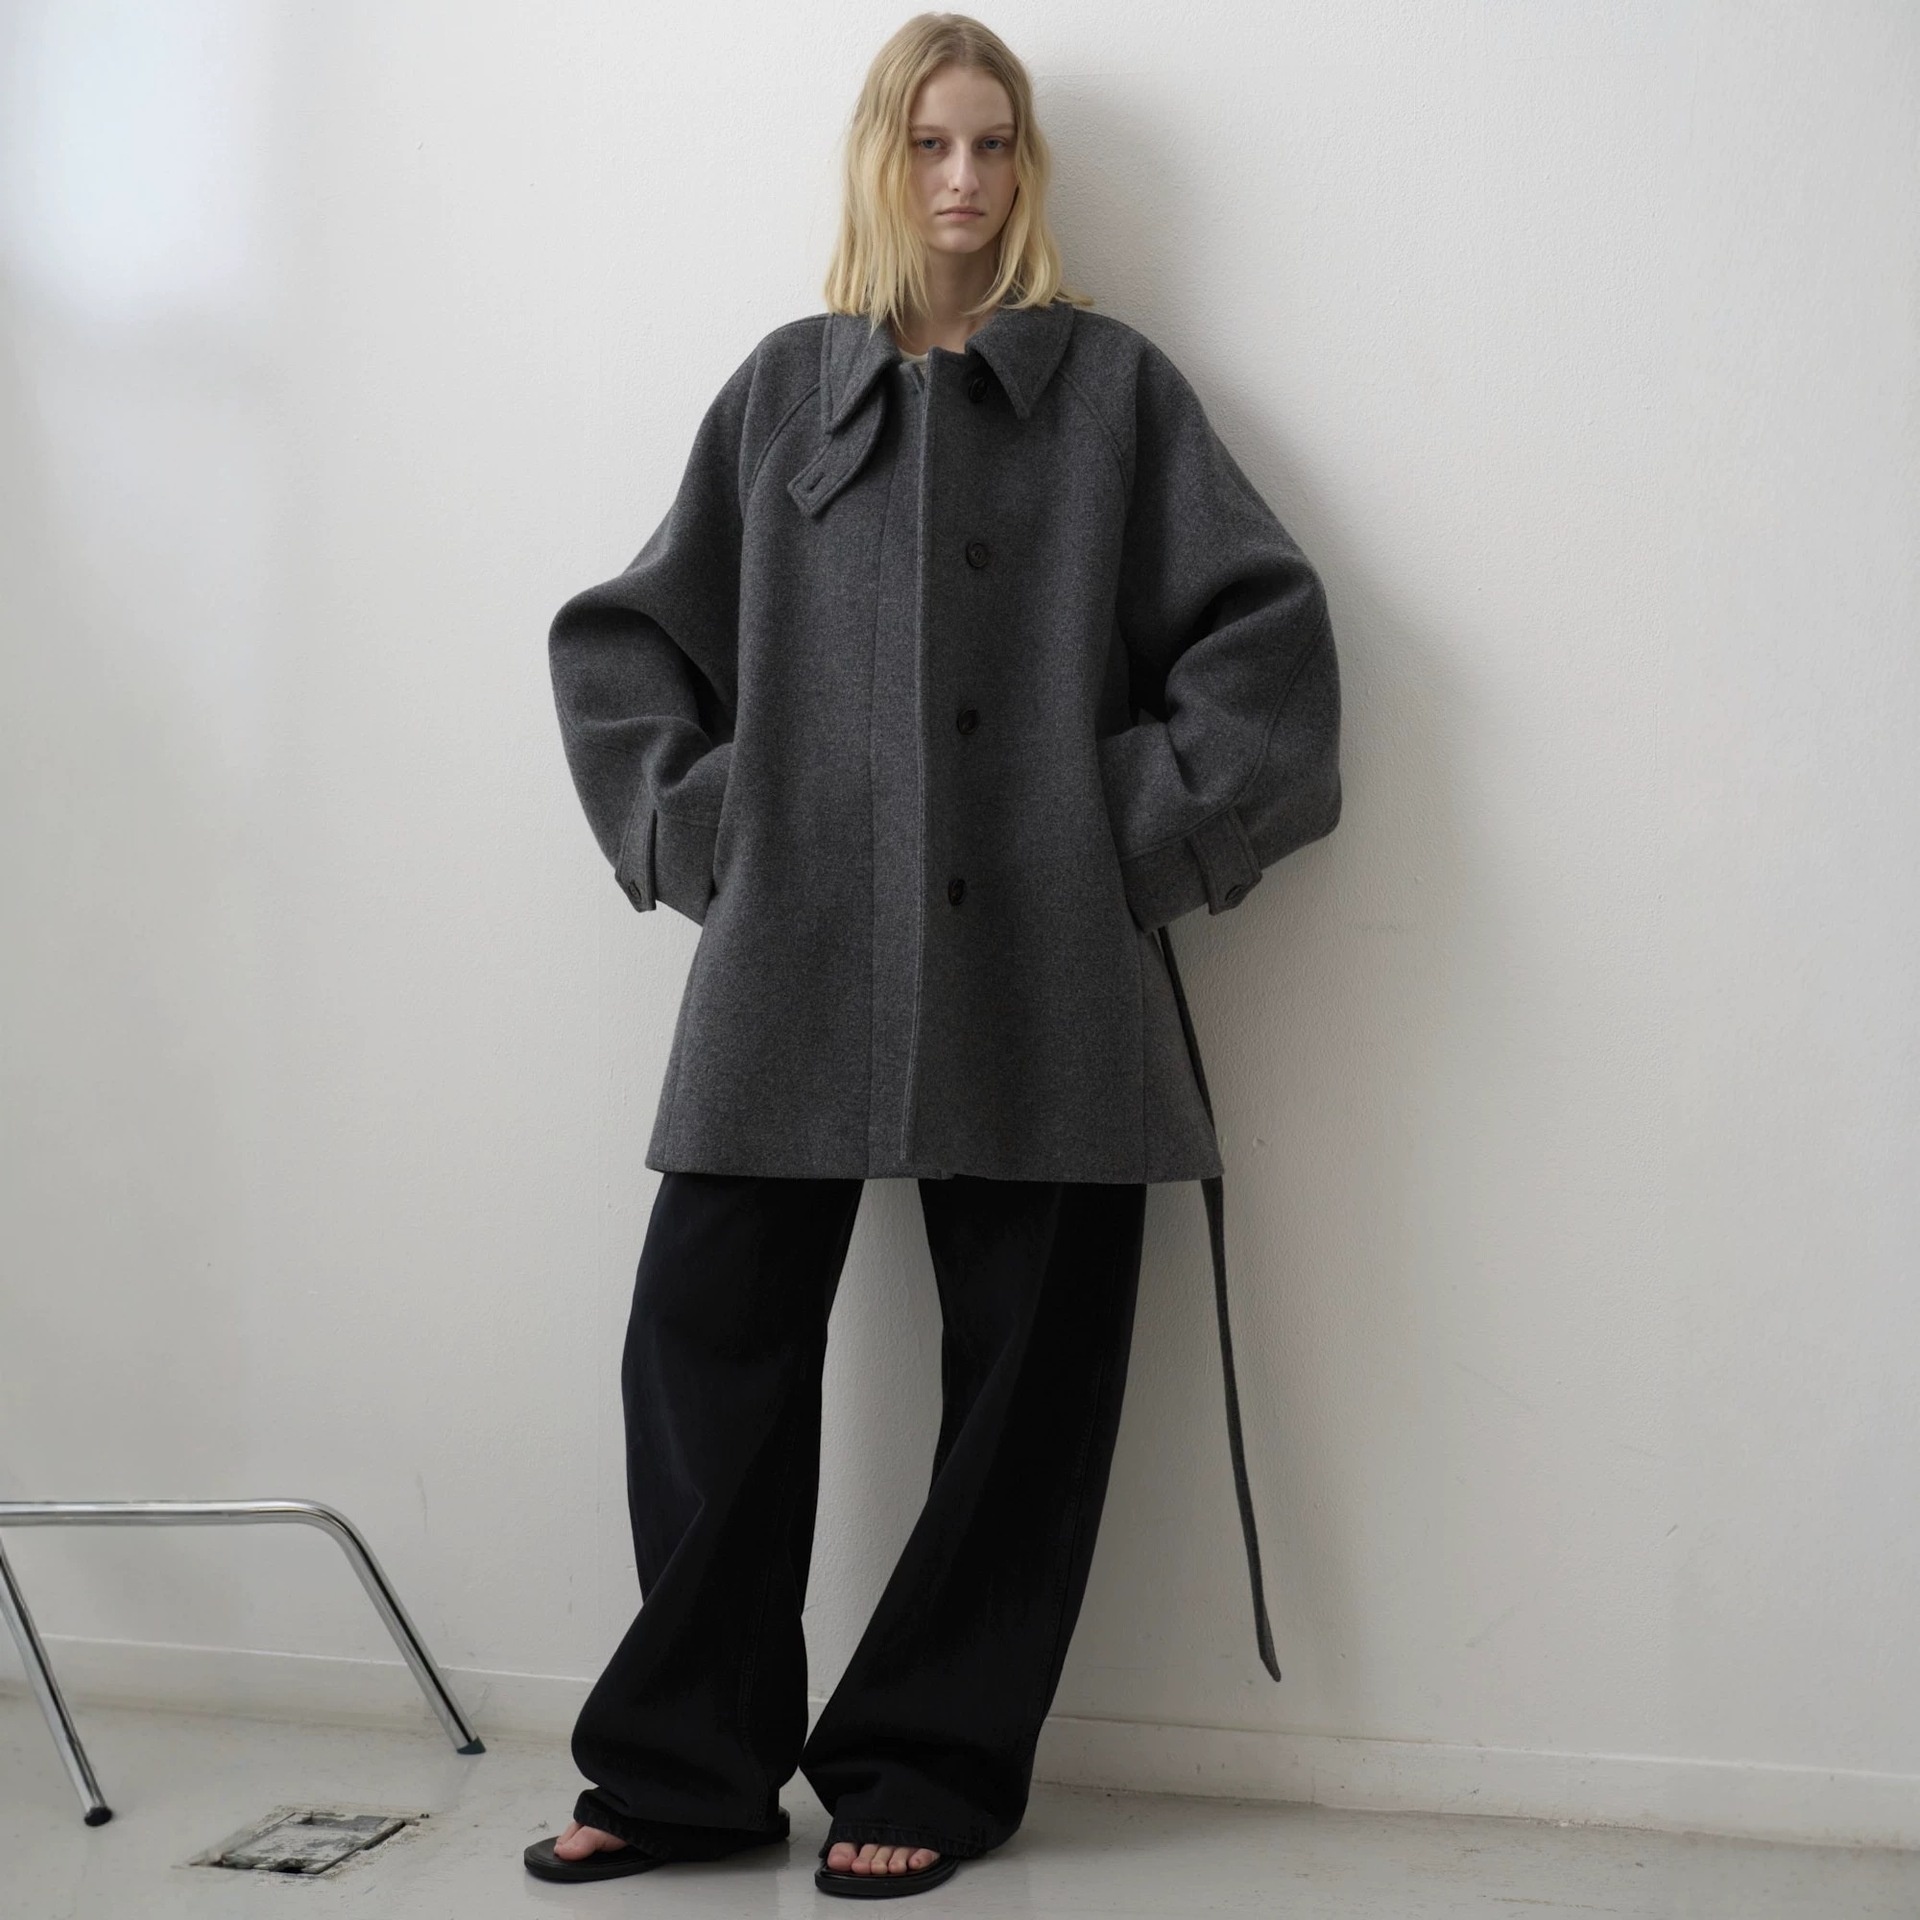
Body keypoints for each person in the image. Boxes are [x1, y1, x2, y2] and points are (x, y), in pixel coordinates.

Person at [524, 10, 1343, 1899]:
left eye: (994, 146)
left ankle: (932, 1759)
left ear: (1026, 168)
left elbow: (1271, 655)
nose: (963, 180)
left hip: (1049, 970)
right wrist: (714, 833)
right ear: (878, 161)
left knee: (1029, 1391)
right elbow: (623, 645)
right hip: (793, 959)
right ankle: (682, 1770)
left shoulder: (1114, 394)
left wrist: (1116, 836)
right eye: (929, 144)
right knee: (705, 1346)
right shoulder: (783, 391)